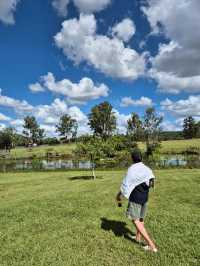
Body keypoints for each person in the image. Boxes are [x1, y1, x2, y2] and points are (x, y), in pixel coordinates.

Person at [116, 150, 158, 252]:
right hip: (145, 198)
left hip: (136, 199)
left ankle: (151, 245)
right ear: (141, 158)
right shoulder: (147, 168)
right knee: (141, 219)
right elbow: (152, 182)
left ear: (132, 159)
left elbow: (125, 185)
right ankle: (138, 237)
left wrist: (119, 196)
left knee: (135, 220)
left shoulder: (131, 169)